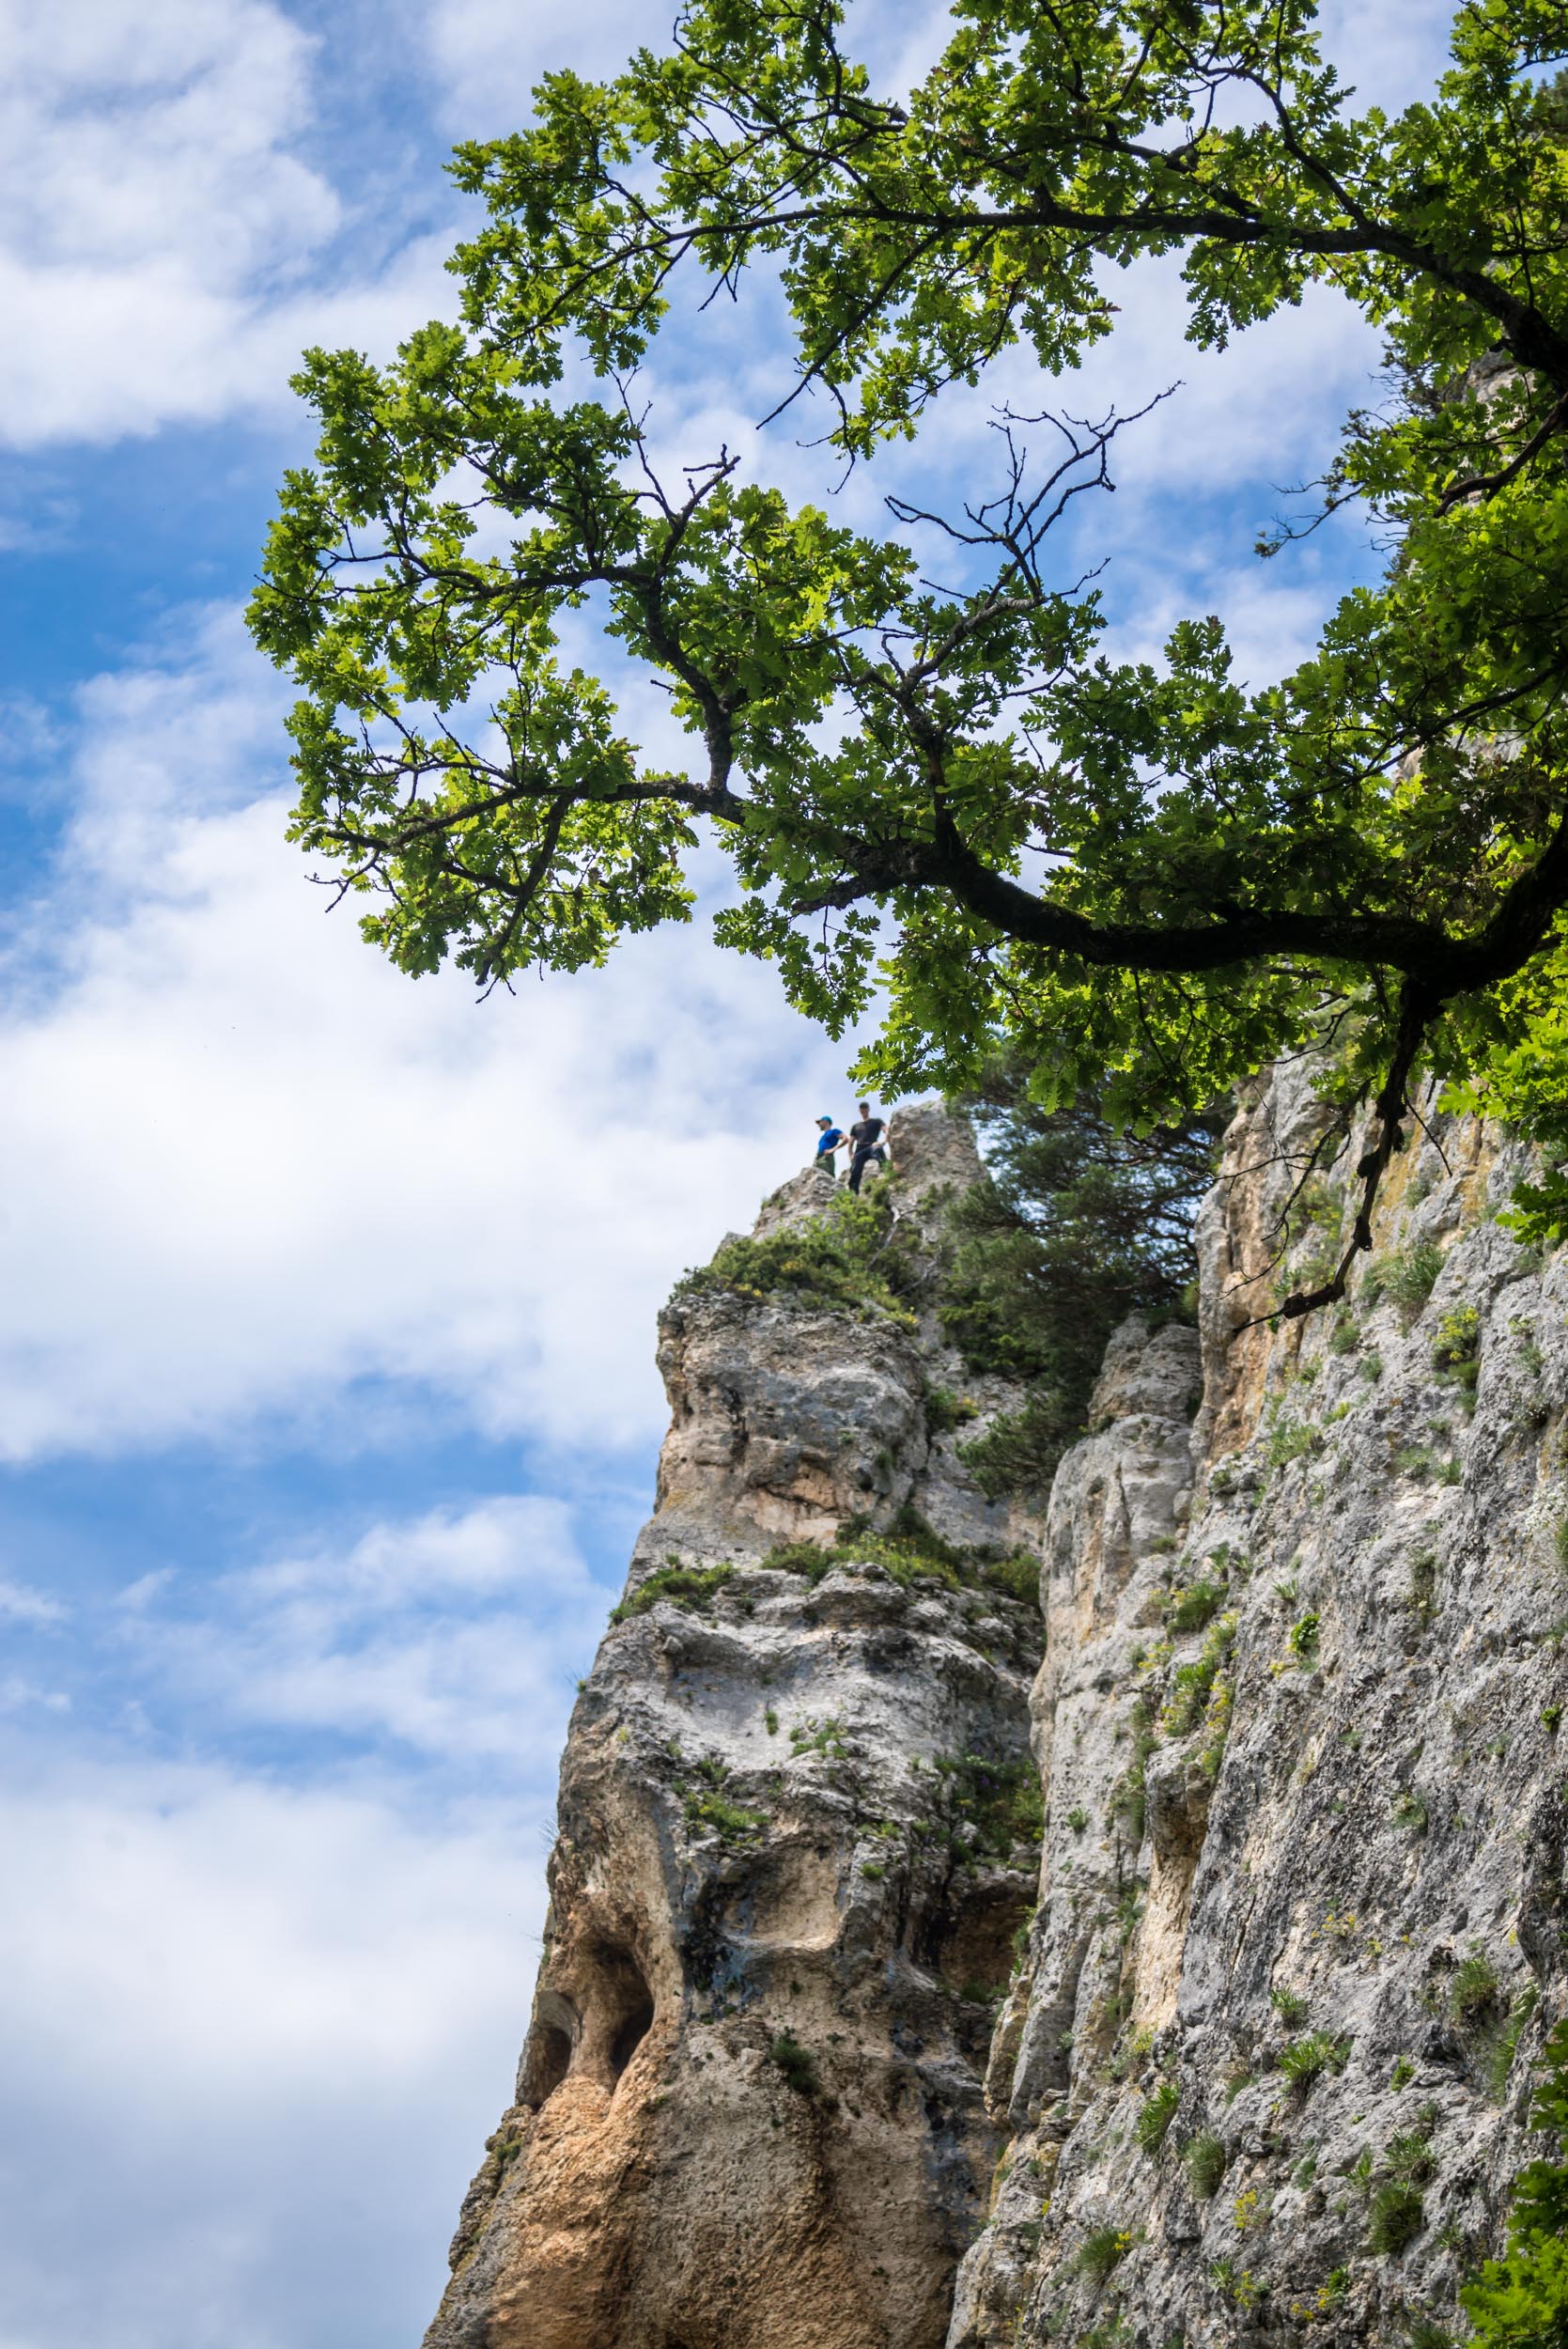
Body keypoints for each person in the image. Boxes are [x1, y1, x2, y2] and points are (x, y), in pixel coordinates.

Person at [846, 1100, 890, 1192]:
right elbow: (850, 1143)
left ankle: (886, 1172)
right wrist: (850, 1156)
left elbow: (886, 1130)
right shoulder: (856, 1126)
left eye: (865, 1108)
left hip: (872, 1145)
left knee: (877, 1150)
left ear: (868, 1109)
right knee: (855, 1171)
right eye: (862, 1108)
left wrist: (883, 1142)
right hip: (859, 1150)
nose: (864, 1110)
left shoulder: (877, 1121)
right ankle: (854, 1193)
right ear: (859, 1110)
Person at [813, 1113, 846, 1177]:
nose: (819, 1125)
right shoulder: (822, 1137)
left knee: (826, 1177)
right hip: (818, 1158)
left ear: (825, 1121)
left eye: (820, 1122)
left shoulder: (834, 1131)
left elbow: (846, 1139)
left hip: (827, 1158)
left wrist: (833, 1149)